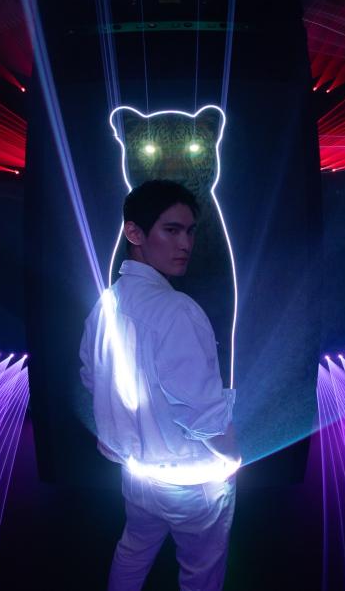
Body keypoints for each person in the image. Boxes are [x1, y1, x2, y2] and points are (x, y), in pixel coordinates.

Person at [80, 180, 241, 591]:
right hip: (192, 481)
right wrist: (232, 459)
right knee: (200, 573)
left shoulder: (105, 303)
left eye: (190, 231)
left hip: (136, 473)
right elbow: (204, 416)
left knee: (133, 549)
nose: (185, 243)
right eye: (172, 230)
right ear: (135, 233)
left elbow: (90, 378)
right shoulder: (177, 310)